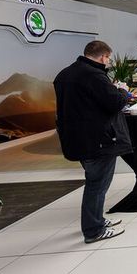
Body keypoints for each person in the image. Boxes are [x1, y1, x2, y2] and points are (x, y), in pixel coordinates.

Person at [54, 40, 131, 243]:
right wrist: (122, 90)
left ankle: (96, 219)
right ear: (103, 57)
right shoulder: (94, 75)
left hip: (76, 139)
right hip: (97, 140)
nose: (108, 63)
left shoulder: (64, 74)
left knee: (95, 182)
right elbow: (115, 103)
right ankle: (93, 229)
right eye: (108, 59)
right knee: (97, 184)